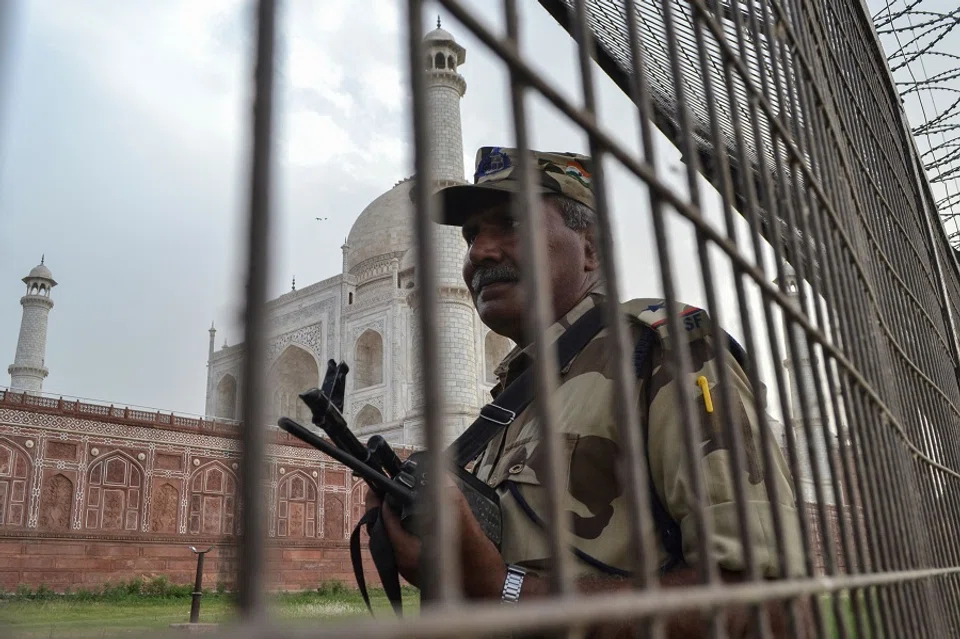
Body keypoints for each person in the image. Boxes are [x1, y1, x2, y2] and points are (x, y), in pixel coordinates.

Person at [366, 147, 809, 638]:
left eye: (509, 224)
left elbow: (769, 607)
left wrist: (504, 593)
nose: (479, 252)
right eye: (472, 236)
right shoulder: (513, 399)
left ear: (591, 247)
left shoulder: (660, 352)